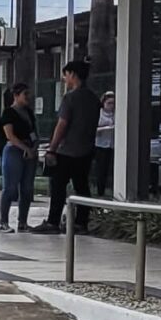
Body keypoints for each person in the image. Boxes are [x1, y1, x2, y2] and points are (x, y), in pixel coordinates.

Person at [43, 59, 97, 231]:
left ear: (73, 74)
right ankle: (81, 222)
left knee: (58, 186)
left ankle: (53, 221)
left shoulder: (70, 98)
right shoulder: (94, 99)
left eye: (66, 75)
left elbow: (62, 124)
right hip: (86, 150)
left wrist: (52, 148)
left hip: (67, 150)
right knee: (82, 186)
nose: (65, 79)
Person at [0, 82, 37, 232]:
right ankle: (3, 222)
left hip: (29, 149)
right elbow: (10, 136)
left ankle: (22, 222)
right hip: (14, 150)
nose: (28, 98)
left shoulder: (29, 113)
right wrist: (24, 148)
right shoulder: (9, 113)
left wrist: (33, 147)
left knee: (27, 188)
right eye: (25, 94)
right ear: (16, 96)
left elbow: (33, 131)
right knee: (10, 187)